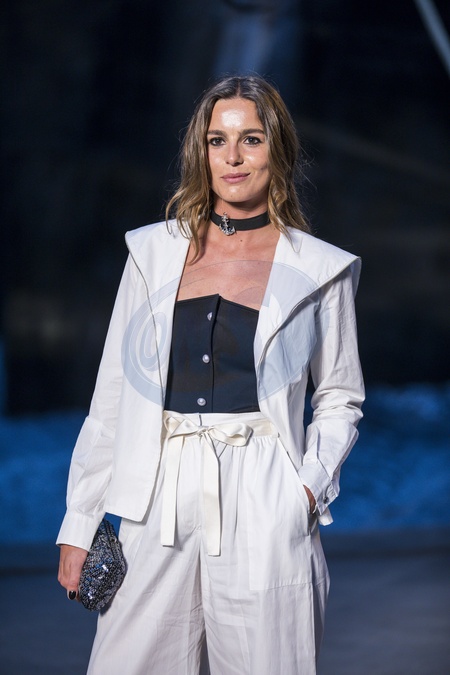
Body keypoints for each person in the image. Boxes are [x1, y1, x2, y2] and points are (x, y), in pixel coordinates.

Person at [57, 75, 364, 675]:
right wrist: (80, 521)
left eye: (251, 139)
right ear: (200, 151)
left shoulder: (322, 269)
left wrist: (306, 488)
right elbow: (114, 395)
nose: (233, 157)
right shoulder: (150, 254)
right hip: (157, 493)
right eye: (217, 140)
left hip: (264, 492)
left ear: (277, 150)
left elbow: (339, 396)